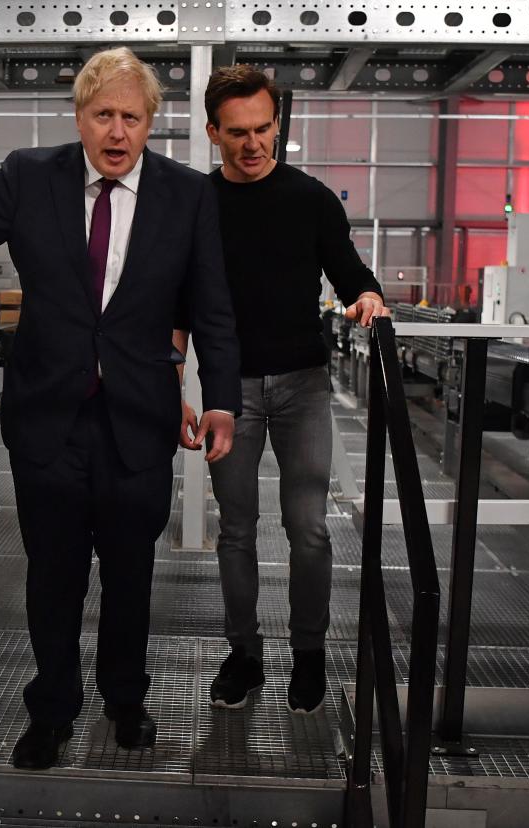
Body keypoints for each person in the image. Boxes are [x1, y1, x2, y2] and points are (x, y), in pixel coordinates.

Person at [0, 48, 241, 769]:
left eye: (132, 117)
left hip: (140, 421)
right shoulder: (30, 177)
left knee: (129, 574)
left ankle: (125, 698)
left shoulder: (188, 195)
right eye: (103, 115)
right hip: (48, 419)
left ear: (152, 123)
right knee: (53, 576)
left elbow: (213, 310)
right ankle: (52, 708)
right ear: (79, 116)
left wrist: (222, 403)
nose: (118, 132)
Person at [176, 65, 388, 714]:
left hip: (304, 386)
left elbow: (348, 270)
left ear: (277, 126)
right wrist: (166, 380)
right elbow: (179, 301)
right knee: (236, 531)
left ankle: (309, 656)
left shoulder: (312, 199)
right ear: (213, 132)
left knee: (310, 529)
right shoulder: (197, 206)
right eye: (236, 132)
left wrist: (368, 296)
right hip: (227, 390)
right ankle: (244, 656)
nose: (252, 143)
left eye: (263, 129)